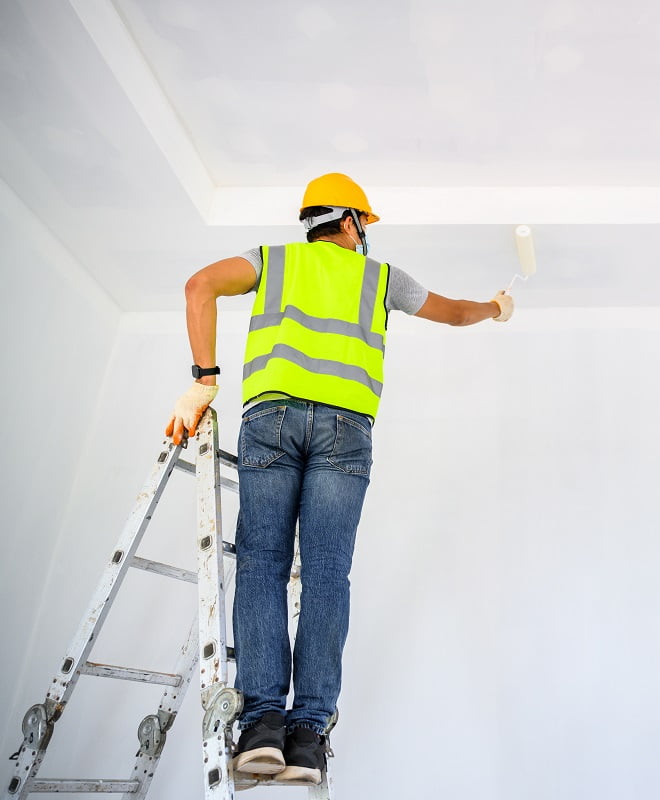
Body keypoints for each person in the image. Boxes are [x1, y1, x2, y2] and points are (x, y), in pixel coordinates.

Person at [164, 173, 512, 784]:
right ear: (349, 222)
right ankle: (308, 736)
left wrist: (204, 378)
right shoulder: (382, 279)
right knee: (327, 574)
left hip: (270, 419)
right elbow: (456, 314)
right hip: (346, 431)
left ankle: (261, 726)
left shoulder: (270, 262)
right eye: (365, 226)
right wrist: (497, 307)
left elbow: (199, 286)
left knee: (263, 566)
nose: (366, 237)